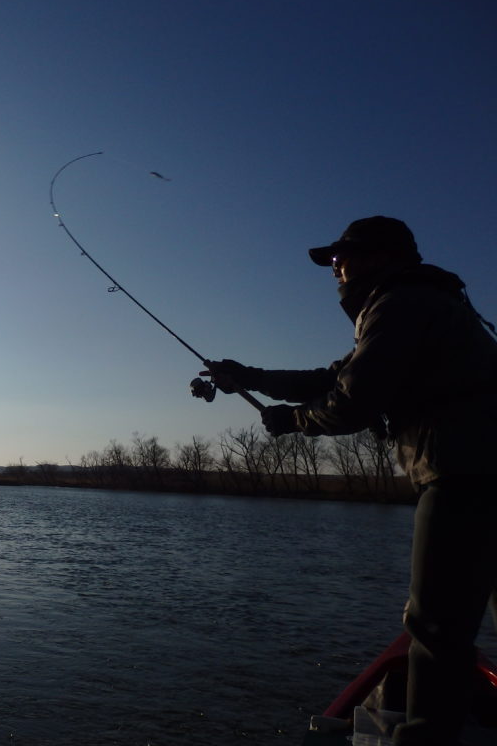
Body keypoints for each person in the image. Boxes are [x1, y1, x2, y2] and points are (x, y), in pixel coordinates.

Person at [202, 216, 497, 746]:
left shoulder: (398, 306)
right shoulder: (416, 304)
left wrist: (291, 421)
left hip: (464, 473)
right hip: (480, 467)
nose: (334, 270)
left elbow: (352, 402)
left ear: (379, 258)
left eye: (341, 258)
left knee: (436, 626)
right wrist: (248, 376)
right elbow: (331, 378)